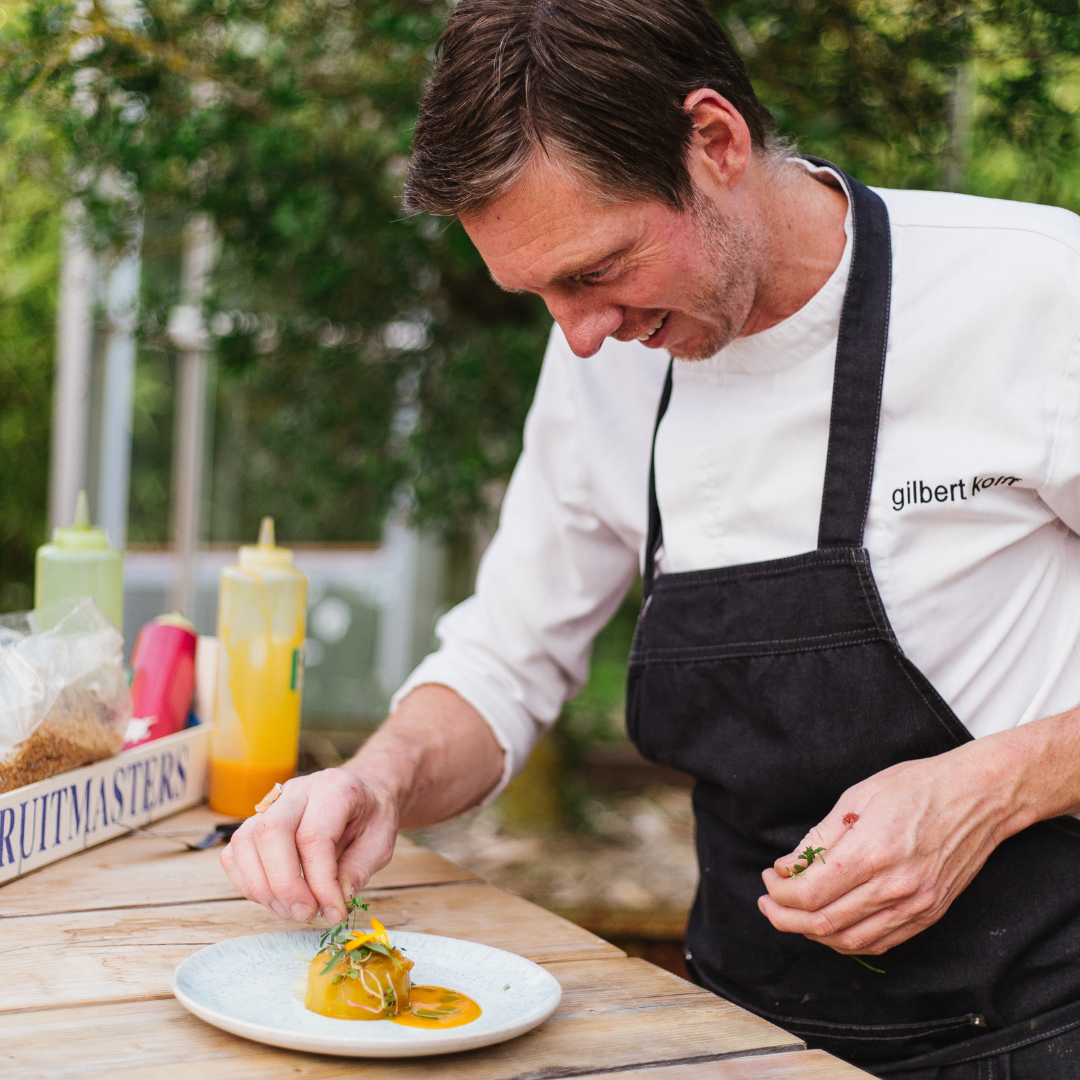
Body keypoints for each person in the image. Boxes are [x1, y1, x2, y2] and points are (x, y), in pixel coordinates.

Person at [221, 1, 1080, 1074]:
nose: (578, 335)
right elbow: (507, 658)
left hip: (1048, 1020)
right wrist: (383, 776)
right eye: (537, 295)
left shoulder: (1033, 293)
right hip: (739, 1026)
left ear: (714, 142)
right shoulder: (606, 359)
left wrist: (992, 785)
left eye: (594, 270)